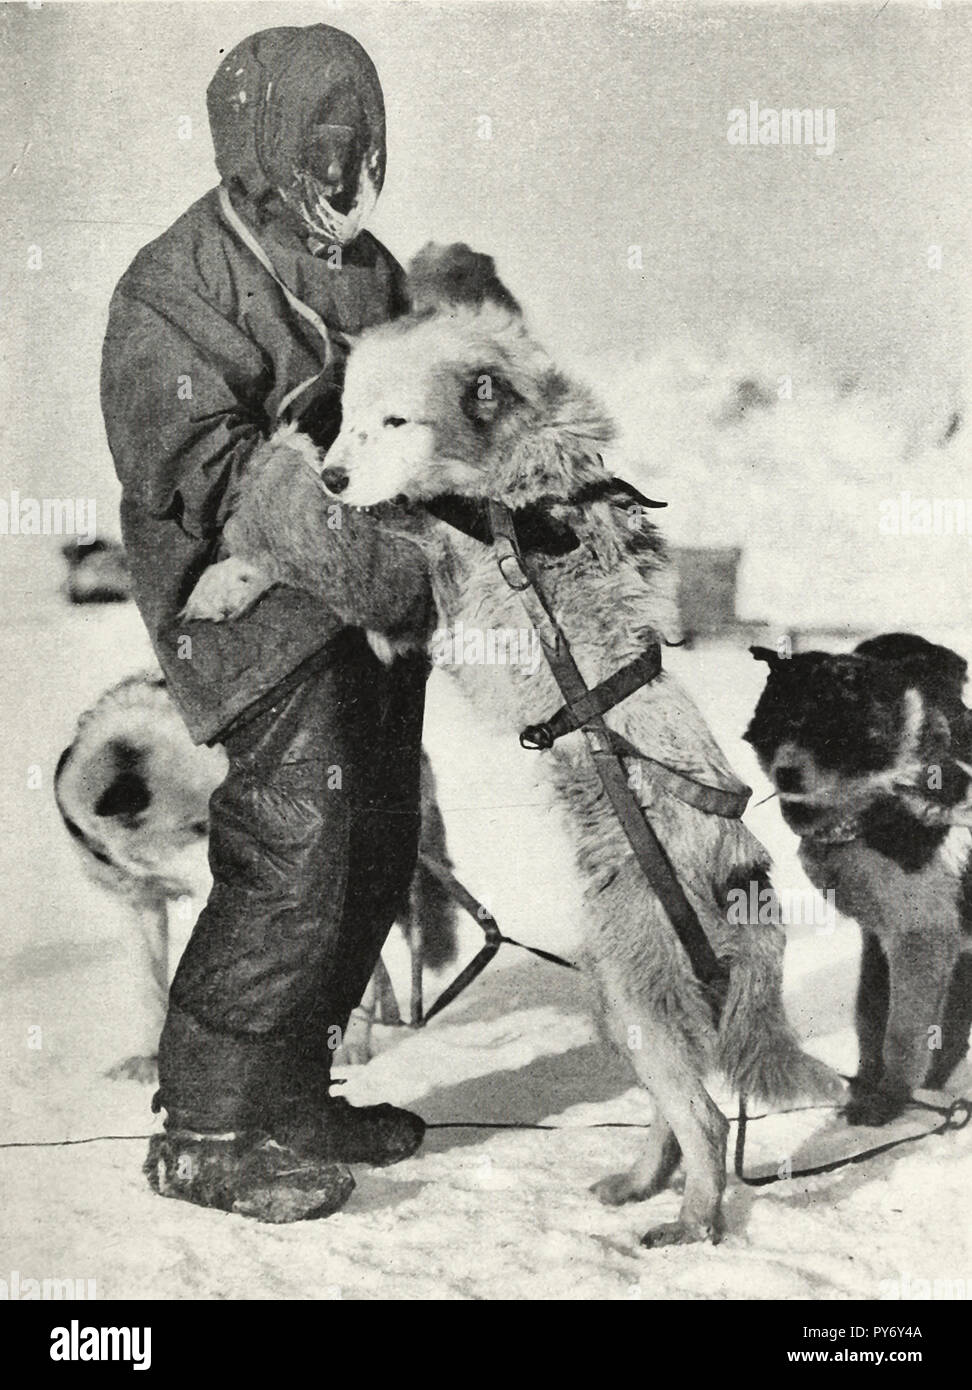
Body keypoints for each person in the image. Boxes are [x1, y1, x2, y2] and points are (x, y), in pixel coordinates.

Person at [101, 23, 433, 1222]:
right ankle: (203, 1128)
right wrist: (360, 552)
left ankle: (291, 1092)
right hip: (240, 604)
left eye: (359, 145)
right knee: (296, 845)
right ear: (261, 142)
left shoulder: (374, 271)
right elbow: (201, 459)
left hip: (376, 602)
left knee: (378, 844)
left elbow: (420, 412)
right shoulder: (177, 282)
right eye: (320, 144)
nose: (343, 172)